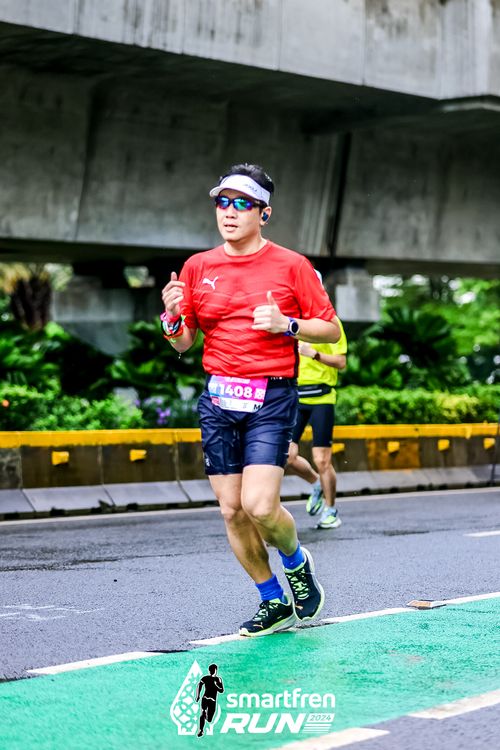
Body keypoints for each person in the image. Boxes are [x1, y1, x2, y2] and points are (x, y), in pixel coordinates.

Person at [161, 163, 340, 637]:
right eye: (223, 202)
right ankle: (272, 599)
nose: (230, 211)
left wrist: (288, 325)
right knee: (232, 510)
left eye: (242, 203)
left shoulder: (292, 266)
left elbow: (330, 328)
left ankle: (296, 562)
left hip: (271, 397)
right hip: (219, 398)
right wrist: (171, 316)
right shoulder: (198, 267)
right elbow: (183, 343)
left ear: (264, 213)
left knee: (260, 506)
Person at [287, 304, 347, 530]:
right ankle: (316, 483)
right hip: (295, 397)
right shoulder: (290, 321)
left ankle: (331, 511)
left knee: (322, 460)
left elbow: (341, 362)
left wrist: (314, 354)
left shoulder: (331, 322)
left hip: (322, 397)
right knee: (287, 455)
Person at [195, 663, 224, 737]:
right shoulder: (207, 678)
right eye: (212, 670)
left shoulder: (217, 679)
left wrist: (216, 685)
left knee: (209, 719)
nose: (213, 671)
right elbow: (199, 685)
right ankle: (201, 730)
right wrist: (198, 695)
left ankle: (205, 718)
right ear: (210, 671)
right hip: (207, 699)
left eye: (213, 670)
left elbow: (221, 690)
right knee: (204, 713)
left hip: (211, 700)